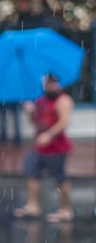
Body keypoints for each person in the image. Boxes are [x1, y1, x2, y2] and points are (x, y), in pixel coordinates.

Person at [13, 73, 75, 222]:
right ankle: (33, 206)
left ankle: (66, 209)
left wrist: (49, 135)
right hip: (40, 148)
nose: (53, 86)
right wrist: (30, 112)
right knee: (31, 171)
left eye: (55, 83)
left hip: (57, 147)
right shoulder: (40, 101)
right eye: (50, 84)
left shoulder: (63, 101)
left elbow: (63, 122)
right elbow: (35, 121)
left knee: (60, 178)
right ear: (45, 86)